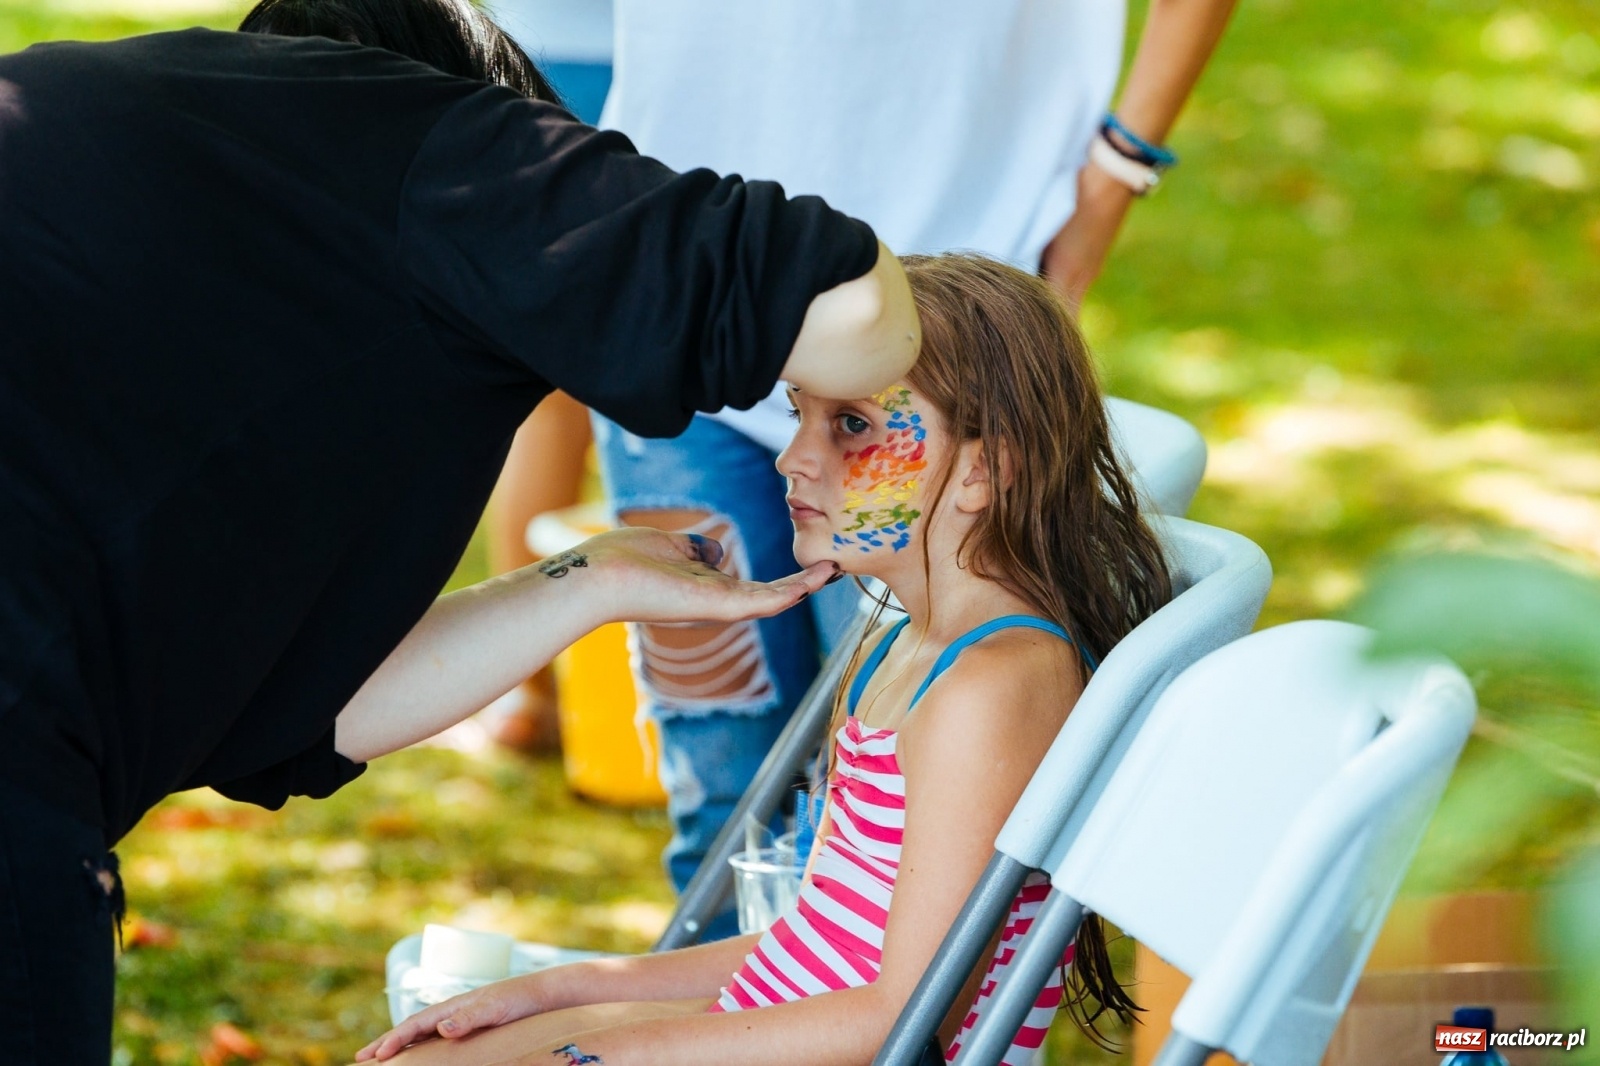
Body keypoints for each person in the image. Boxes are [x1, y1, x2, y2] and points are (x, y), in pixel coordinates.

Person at [0, 0, 921, 1060]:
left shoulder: (129, 169)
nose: (800, 456)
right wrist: (882, 406)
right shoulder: (426, 143)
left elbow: (291, 714)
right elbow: (849, 310)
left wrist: (591, 580)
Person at [354, 253, 1173, 1066]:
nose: (793, 458)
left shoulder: (990, 685)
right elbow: (809, 942)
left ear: (984, 470)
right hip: (775, 1020)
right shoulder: (897, 644)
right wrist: (554, 994)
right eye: (802, 416)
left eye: (851, 424)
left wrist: (623, 1049)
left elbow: (909, 1016)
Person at [582, 0, 1237, 934]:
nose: (799, 459)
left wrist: (1116, 171)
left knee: (873, 839)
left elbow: (908, 970)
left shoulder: (995, 663)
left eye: (839, 426)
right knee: (719, 783)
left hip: (947, 314)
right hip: (677, 298)